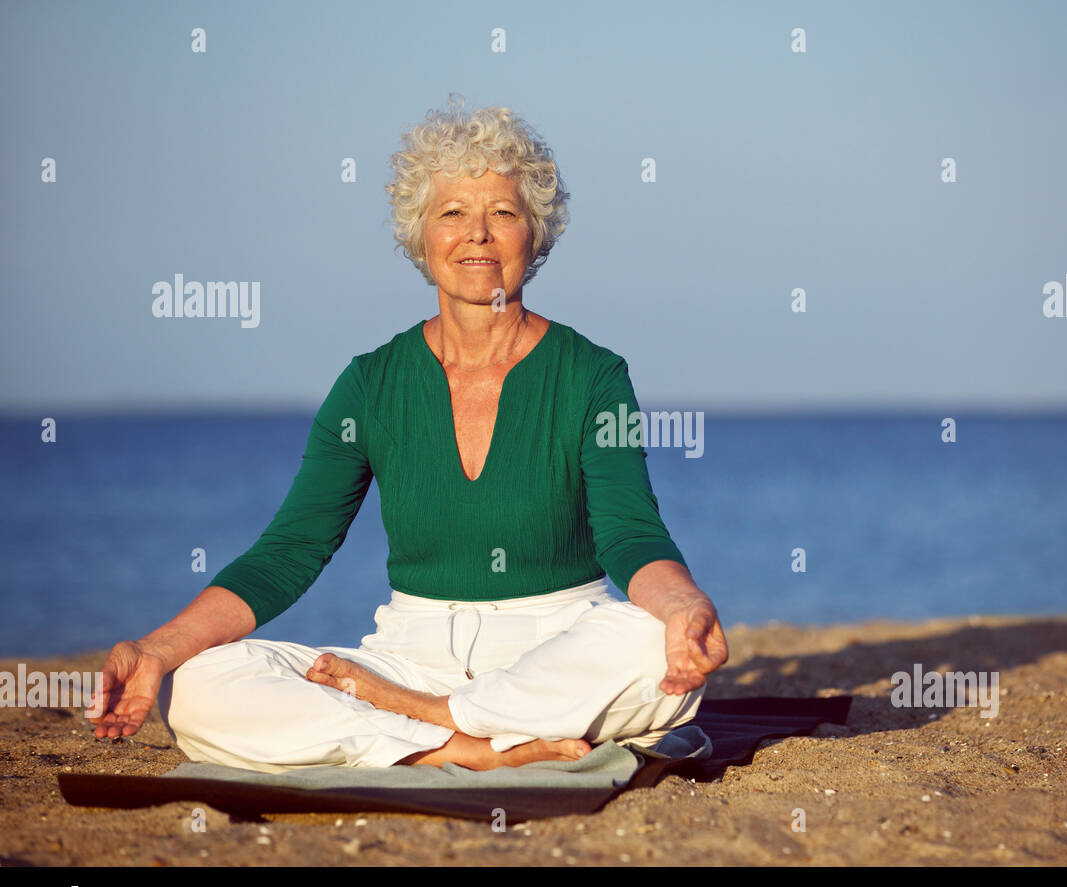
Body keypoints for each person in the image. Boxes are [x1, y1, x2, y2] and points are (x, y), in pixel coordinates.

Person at [86, 96, 728, 773]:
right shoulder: (370, 384)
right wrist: (158, 649)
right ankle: (466, 749)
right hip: (408, 657)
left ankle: (429, 727)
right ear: (421, 235)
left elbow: (631, 533)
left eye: (503, 213)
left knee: (648, 642)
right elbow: (290, 551)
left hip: (554, 647)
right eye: (453, 213)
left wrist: (685, 607)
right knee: (202, 686)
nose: (477, 234)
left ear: (534, 235)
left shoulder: (595, 374)